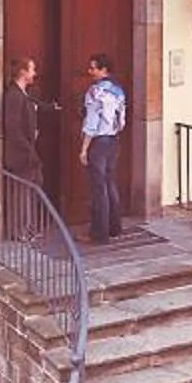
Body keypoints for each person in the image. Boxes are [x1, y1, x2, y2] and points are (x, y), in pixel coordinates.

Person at [78, 54, 129, 244]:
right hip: (113, 140)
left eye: (93, 68)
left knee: (98, 188)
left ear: (103, 69)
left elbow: (91, 123)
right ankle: (115, 228)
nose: (90, 72)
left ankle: (99, 234)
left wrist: (84, 149)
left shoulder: (94, 92)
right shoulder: (118, 90)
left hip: (98, 143)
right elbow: (121, 121)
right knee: (109, 183)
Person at [0, 56, 46, 231]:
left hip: (28, 150)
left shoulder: (24, 94)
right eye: (32, 69)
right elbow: (13, 126)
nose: (35, 73)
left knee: (30, 189)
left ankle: (28, 227)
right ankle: (19, 229)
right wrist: (27, 149)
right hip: (21, 153)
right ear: (23, 72)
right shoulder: (14, 95)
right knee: (20, 192)